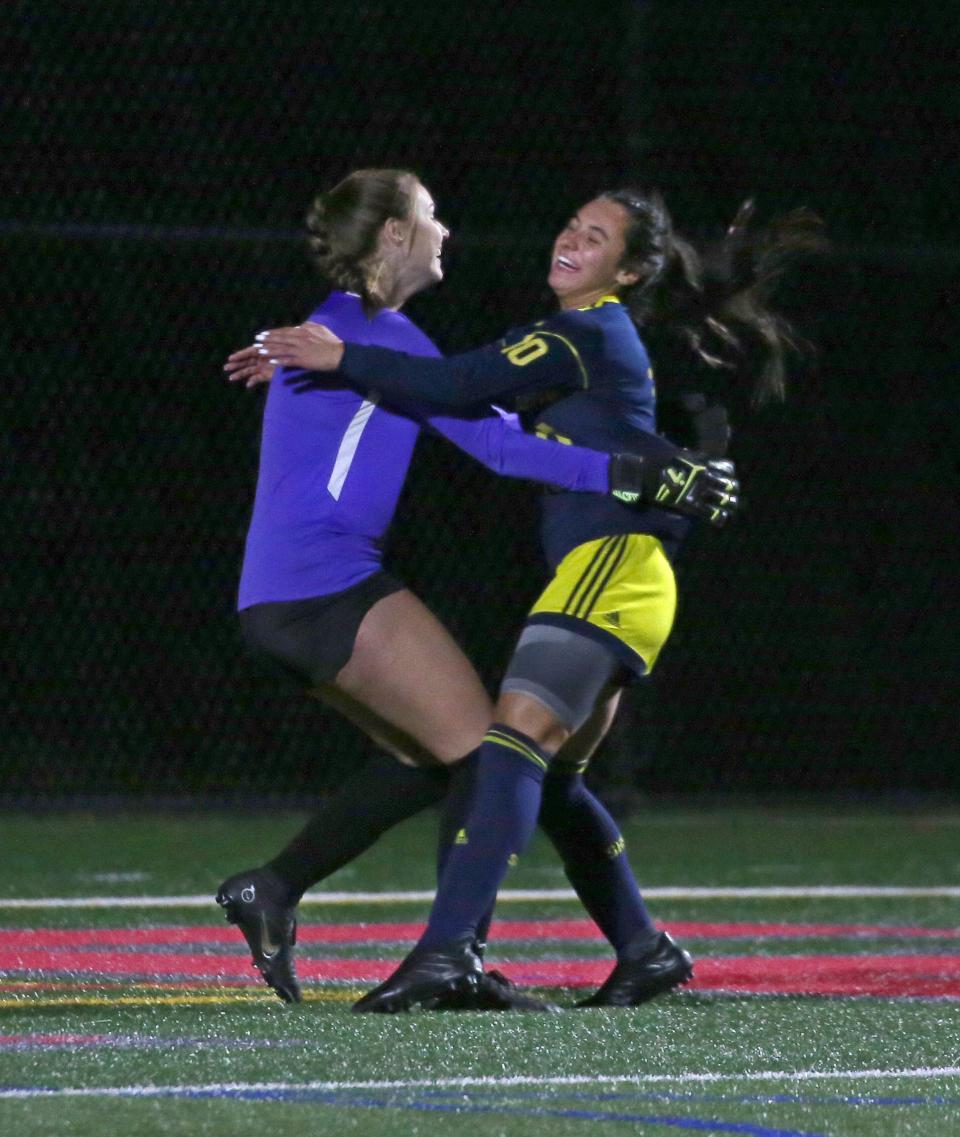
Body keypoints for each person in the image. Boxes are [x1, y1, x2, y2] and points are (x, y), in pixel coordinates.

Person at [251, 187, 820, 1013]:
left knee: (510, 740)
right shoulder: (588, 338)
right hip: (621, 571)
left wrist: (339, 358)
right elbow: (511, 427)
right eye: (569, 224)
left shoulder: (580, 331)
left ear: (624, 272)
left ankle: (450, 953)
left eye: (595, 237)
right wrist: (299, 353)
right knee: (547, 781)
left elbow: (453, 385)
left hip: (611, 568)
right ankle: (645, 948)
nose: (569, 239)